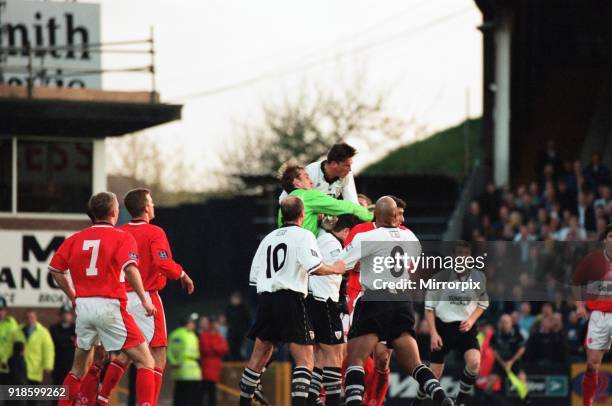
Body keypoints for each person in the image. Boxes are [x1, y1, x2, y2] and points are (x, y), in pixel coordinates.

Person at [341, 196, 453, 406]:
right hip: (402, 300)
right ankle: (439, 394)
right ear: (394, 216)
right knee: (415, 363)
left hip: (374, 299)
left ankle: (355, 402)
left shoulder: (368, 236)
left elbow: (342, 264)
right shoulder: (410, 236)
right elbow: (411, 262)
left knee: (355, 360)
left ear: (376, 214)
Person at [49, 191, 158, 406]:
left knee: (78, 369)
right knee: (146, 362)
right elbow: (130, 269)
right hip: (109, 306)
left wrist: (72, 296)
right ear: (114, 212)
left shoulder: (75, 239)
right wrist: (145, 300)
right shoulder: (122, 237)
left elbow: (55, 269)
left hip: (84, 307)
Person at [240, 196, 346, 406]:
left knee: (258, 356)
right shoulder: (304, 235)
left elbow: (254, 277)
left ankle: (243, 402)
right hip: (291, 299)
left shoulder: (268, 238)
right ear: (302, 214)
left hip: (266, 300)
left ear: (282, 215)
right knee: (305, 360)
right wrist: (336, 268)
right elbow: (315, 267)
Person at [94, 188, 195, 405]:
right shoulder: (154, 232)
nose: (154, 205)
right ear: (146, 207)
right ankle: (149, 403)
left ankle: (102, 397)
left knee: (127, 353)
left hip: (121, 298)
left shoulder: (119, 232)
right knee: (157, 355)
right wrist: (183, 274)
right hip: (146, 298)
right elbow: (163, 263)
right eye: (151, 202)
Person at [343, 195, 408, 406]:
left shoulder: (405, 234)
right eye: (397, 214)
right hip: (358, 295)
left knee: (382, 357)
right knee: (352, 353)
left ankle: (374, 401)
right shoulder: (360, 231)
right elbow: (346, 262)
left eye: (401, 214)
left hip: (389, 298)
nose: (400, 219)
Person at [420, 241, 488, 406]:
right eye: (459, 253)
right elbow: (429, 308)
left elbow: (483, 303)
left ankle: (460, 402)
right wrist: (434, 333)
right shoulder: (440, 277)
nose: (462, 256)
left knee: (475, 362)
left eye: (466, 253)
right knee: (433, 374)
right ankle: (417, 402)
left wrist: (471, 320)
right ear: (453, 256)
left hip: (466, 328)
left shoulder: (479, 277)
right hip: (443, 327)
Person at [307, 215, 361, 406]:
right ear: (346, 232)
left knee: (321, 357)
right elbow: (339, 268)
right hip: (324, 302)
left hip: (317, 301)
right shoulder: (332, 244)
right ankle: (332, 402)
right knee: (335, 355)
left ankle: (311, 398)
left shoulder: (322, 238)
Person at [572, 223, 612, 406]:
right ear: (605, 239)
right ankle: (587, 403)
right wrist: (580, 306)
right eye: (611, 236)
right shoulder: (592, 260)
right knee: (592, 364)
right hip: (599, 316)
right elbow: (577, 282)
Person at [278, 163, 373, 235]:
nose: (311, 181)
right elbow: (344, 206)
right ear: (296, 182)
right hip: (303, 251)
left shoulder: (283, 206)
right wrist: (371, 216)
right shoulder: (309, 195)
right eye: (307, 177)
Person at [279, 142, 359, 203]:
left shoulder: (346, 175)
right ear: (334, 164)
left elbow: (352, 203)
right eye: (346, 165)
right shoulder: (309, 172)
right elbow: (283, 200)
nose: (350, 170)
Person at [12, 311, 54, 396]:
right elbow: (10, 347)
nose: (29, 319)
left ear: (36, 319)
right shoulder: (17, 331)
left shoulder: (43, 332)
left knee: (32, 398)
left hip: (35, 368)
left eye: (32, 317)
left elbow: (48, 349)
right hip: (20, 369)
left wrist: (48, 365)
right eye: (27, 317)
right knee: (20, 397)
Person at [168, 313, 202, 406]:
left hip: (178, 371)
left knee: (179, 396)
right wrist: (179, 361)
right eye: (193, 323)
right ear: (188, 323)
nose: (194, 325)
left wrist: (174, 362)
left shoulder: (174, 334)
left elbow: (169, 350)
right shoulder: (189, 335)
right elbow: (186, 351)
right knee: (191, 397)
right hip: (191, 373)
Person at [488, 315, 527, 393]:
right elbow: (494, 350)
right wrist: (502, 363)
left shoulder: (517, 334)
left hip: (514, 362)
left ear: (511, 323)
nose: (504, 324)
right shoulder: (495, 335)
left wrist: (511, 362)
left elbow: (522, 349)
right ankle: (484, 400)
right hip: (500, 362)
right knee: (490, 382)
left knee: (522, 378)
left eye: (506, 322)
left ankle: (526, 400)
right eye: (502, 322)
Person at [199, 316, 230, 406]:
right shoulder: (205, 335)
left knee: (211, 393)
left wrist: (214, 348)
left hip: (213, 368)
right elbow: (205, 350)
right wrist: (216, 349)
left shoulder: (217, 336)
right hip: (206, 368)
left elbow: (225, 348)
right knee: (205, 393)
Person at [49, 304, 76, 405]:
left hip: (71, 367)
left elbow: (63, 341)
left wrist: (66, 340)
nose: (66, 316)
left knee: (71, 392)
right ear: (60, 315)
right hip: (58, 366)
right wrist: (70, 339)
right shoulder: (54, 328)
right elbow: (57, 341)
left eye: (68, 314)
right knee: (57, 393)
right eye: (64, 314)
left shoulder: (75, 328)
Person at [225, 291, 252, 361]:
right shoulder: (228, 309)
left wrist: (246, 332)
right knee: (231, 350)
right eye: (233, 298)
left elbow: (248, 322)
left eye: (236, 298)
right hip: (232, 334)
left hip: (241, 334)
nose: (234, 300)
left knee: (241, 351)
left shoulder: (244, 309)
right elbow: (227, 321)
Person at [0, 296, 18, 385]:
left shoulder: (11, 323)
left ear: (5, 310)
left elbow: (14, 342)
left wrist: (5, 358)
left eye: (1, 309)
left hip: (7, 365)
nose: (0, 312)